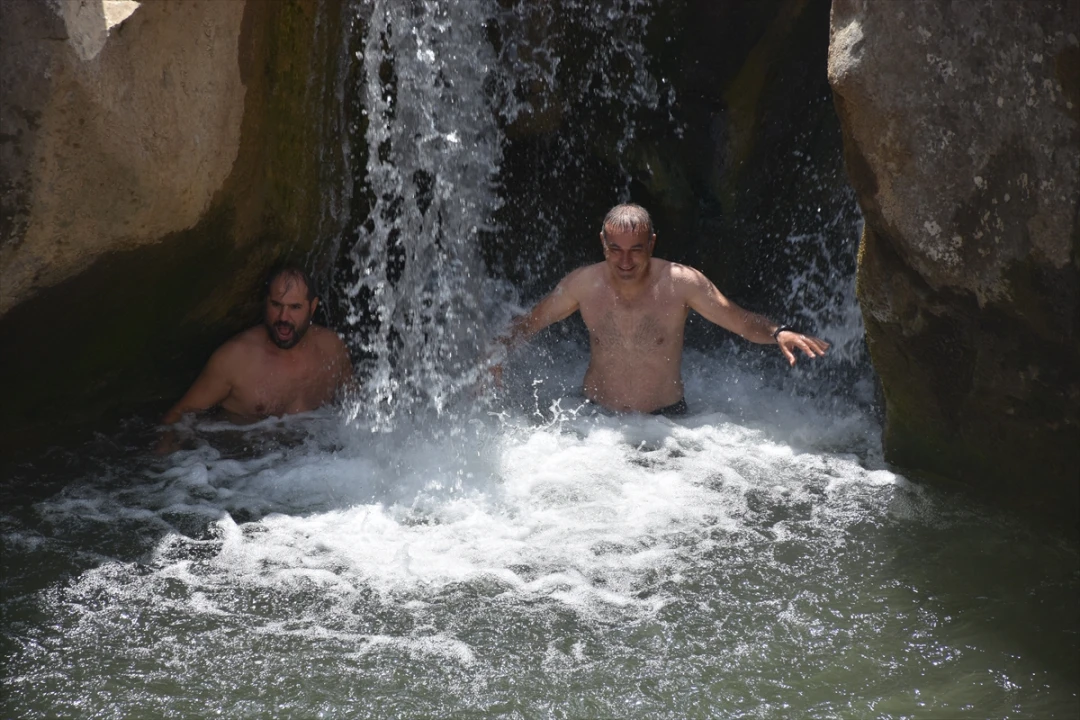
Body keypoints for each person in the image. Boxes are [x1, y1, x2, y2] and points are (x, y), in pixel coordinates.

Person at [493, 203, 830, 416]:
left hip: (665, 425)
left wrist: (778, 333)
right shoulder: (583, 284)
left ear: (652, 243)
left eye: (636, 250)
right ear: (603, 243)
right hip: (595, 422)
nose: (625, 261)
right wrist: (495, 355)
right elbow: (530, 323)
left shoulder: (681, 283)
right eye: (615, 249)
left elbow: (739, 320)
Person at [162, 265, 353, 426]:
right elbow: (178, 415)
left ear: (312, 307)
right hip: (246, 456)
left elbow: (357, 404)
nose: (283, 317)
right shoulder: (234, 359)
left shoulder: (332, 348)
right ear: (265, 302)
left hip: (321, 456)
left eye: (295, 307)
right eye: (276, 305)